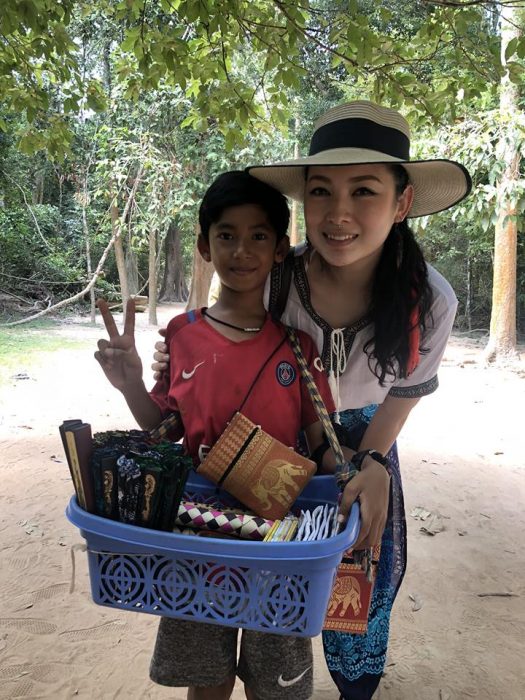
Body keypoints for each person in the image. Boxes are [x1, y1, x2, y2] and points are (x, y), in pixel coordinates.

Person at [152, 101, 472, 699]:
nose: (339, 213)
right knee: (258, 583)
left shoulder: (431, 300)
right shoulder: (277, 277)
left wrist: (372, 462)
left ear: (402, 203)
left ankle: (355, 685)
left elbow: (403, 393)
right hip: (272, 443)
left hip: (373, 441)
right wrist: (177, 364)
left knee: (362, 590)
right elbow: (224, 338)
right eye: (321, 191)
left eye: (365, 191)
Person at [94, 170, 343, 700]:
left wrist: (350, 480)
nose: (242, 250)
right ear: (205, 244)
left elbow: (321, 444)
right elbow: (162, 430)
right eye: (226, 235)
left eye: (259, 236)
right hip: (195, 537)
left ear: (280, 249)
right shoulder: (182, 335)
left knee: (276, 681)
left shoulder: (297, 347)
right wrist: (132, 384)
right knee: (205, 675)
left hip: (279, 544)